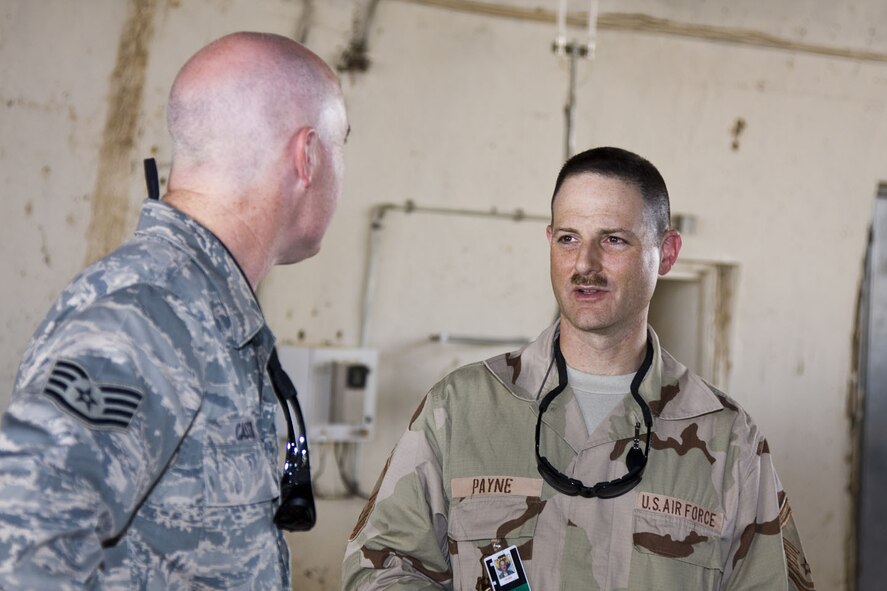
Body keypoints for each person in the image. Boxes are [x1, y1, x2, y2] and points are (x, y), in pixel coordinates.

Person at [342, 147, 814, 590]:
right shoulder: (461, 408)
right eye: (569, 239)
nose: (585, 264)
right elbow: (379, 568)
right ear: (550, 241)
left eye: (613, 240)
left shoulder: (729, 439)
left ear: (667, 253)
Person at [0, 31, 348, 589]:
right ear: (306, 156)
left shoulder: (204, 311)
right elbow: (18, 546)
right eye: (340, 145)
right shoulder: (150, 316)